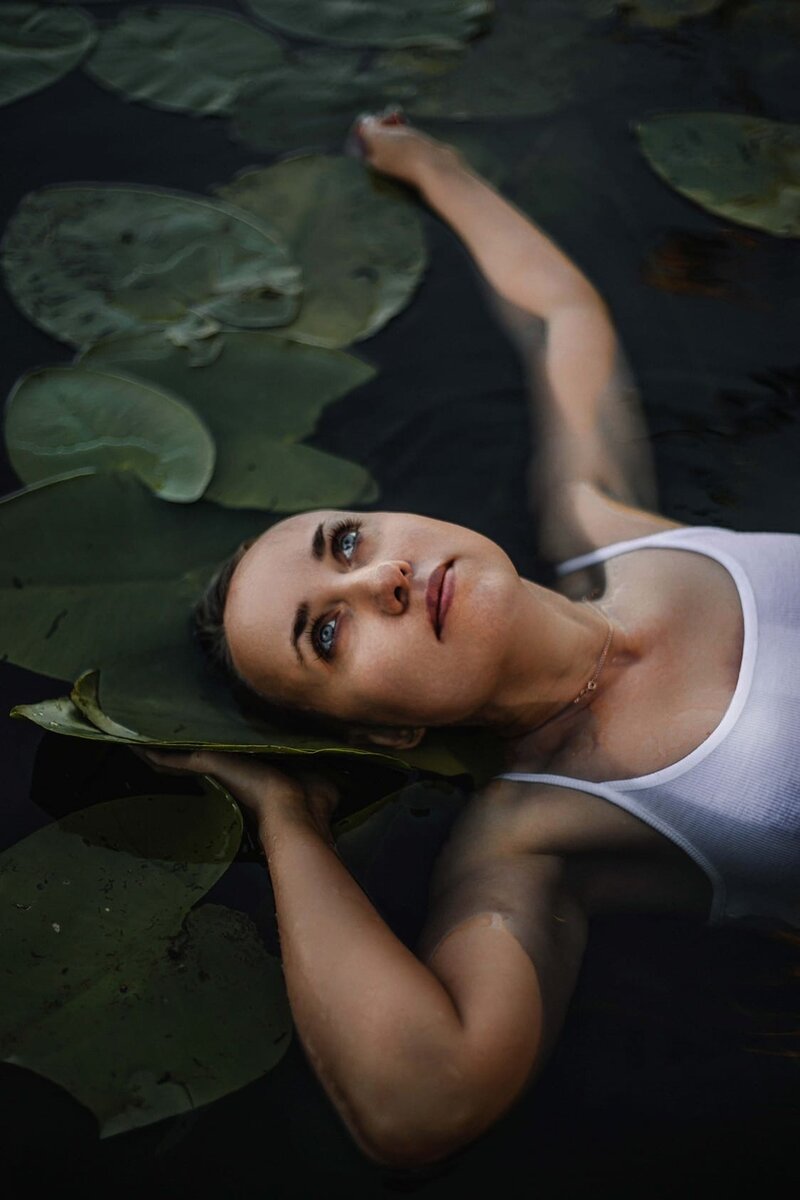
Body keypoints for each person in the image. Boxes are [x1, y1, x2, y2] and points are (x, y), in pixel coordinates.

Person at [143, 112, 800, 1170]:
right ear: (386, 735)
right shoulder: (537, 838)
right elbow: (422, 1103)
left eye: (344, 542)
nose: (380, 578)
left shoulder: (608, 526)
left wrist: (432, 170)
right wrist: (288, 820)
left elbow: (555, 317)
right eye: (327, 633)